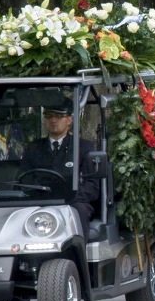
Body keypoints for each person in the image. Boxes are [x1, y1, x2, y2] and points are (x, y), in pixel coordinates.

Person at [18, 101, 100, 236]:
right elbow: (23, 180)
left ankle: (79, 252)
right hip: (40, 201)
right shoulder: (33, 148)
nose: (53, 120)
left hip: (71, 201)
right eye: (49, 116)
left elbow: (92, 187)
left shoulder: (83, 147)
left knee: (80, 210)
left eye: (58, 116)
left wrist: (69, 196)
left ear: (69, 120)